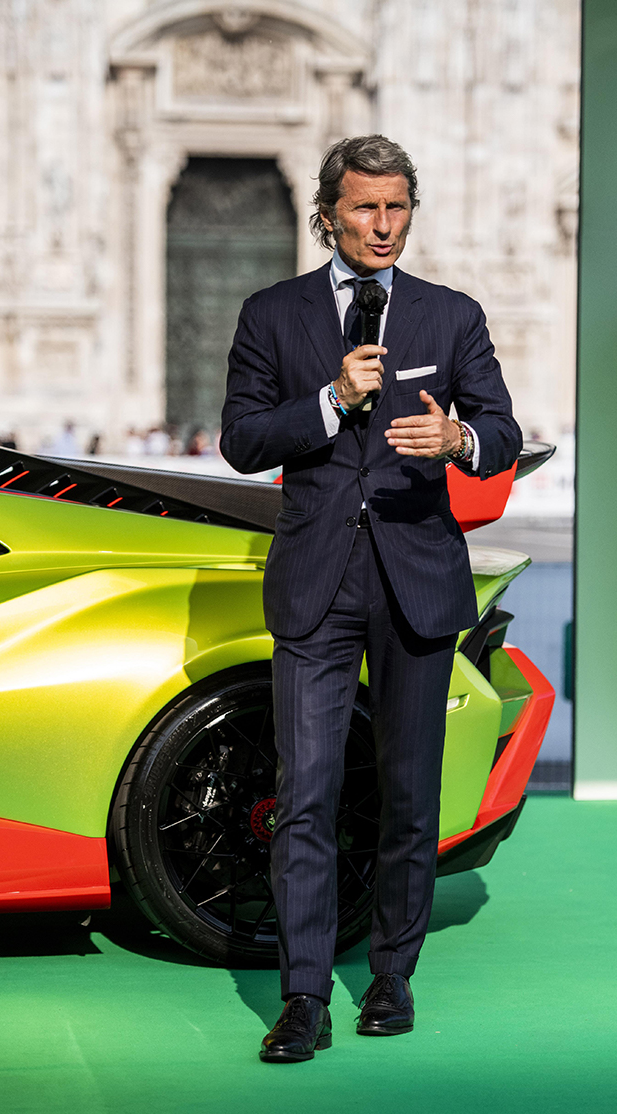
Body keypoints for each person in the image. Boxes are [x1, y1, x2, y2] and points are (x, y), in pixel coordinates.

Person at [220, 135, 522, 1063]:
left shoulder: (451, 314)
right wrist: (326, 399)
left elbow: (505, 430)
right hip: (315, 578)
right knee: (305, 794)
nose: (383, 226)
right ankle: (303, 994)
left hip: (415, 577)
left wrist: (459, 436)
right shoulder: (271, 314)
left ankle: (391, 974)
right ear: (327, 214)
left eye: (396, 209)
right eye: (364, 208)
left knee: (405, 794)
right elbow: (239, 439)